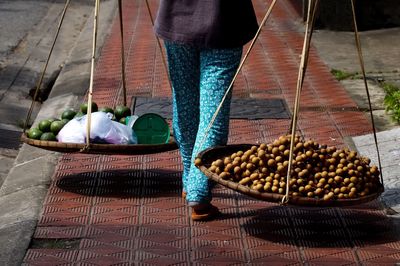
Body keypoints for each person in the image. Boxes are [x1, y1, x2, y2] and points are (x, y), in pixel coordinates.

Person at [154, 1, 258, 221]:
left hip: (179, 19)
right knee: (212, 114)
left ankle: (190, 180)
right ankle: (198, 192)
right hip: (223, 24)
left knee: (186, 105)